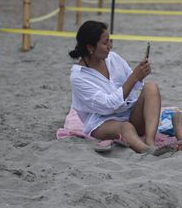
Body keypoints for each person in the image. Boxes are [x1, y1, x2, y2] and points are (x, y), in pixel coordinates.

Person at [69, 20, 172, 155]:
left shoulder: (113, 58)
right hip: (102, 121)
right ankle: (146, 150)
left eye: (110, 41)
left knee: (151, 87)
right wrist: (134, 77)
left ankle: (150, 141)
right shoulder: (79, 77)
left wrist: (140, 74)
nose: (110, 46)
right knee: (125, 127)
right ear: (90, 47)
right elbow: (107, 106)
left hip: (128, 112)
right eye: (105, 43)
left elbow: (133, 85)